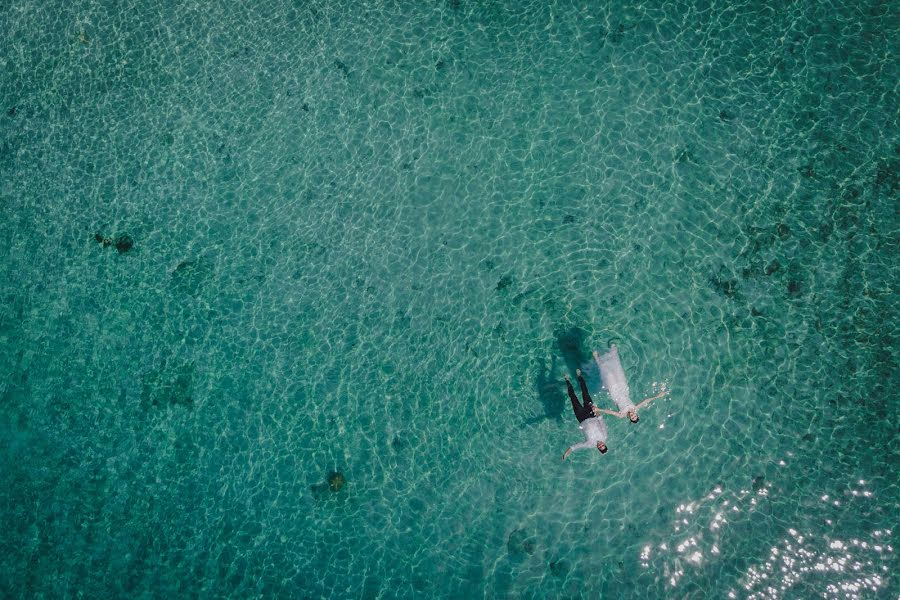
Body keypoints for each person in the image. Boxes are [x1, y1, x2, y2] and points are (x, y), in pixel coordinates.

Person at [593, 347, 668, 423]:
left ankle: (597, 358)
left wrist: (598, 409)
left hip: (615, 392)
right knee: (618, 370)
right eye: (635, 416)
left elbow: (610, 412)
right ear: (637, 415)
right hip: (624, 388)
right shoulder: (635, 408)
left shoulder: (622, 415)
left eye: (632, 417)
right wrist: (657, 396)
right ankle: (613, 352)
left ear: (630, 418)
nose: (633, 415)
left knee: (608, 374)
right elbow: (646, 401)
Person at [562, 370, 608, 459]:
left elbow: (576, 446)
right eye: (603, 446)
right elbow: (601, 422)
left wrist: (566, 453)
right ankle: (579, 377)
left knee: (573, 397)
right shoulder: (604, 436)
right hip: (592, 414)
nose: (600, 445)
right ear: (604, 444)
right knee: (585, 393)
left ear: (598, 448)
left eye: (600, 447)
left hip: (581, 417)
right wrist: (596, 410)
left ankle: (567, 380)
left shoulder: (590, 444)